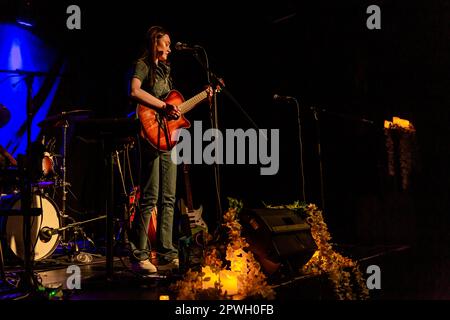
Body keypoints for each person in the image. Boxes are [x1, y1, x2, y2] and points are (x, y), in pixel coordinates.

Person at [128, 26, 182, 273]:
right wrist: (162, 105)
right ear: (155, 42)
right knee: (150, 195)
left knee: (169, 196)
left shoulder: (166, 70)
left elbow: (172, 105)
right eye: (167, 43)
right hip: (150, 135)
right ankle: (139, 255)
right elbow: (135, 91)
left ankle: (166, 252)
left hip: (167, 137)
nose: (170, 48)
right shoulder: (143, 64)